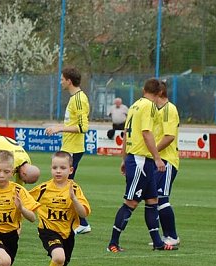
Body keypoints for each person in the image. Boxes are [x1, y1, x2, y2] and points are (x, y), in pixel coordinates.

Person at [106, 78, 176, 253]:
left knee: (152, 201)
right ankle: (113, 243)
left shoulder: (135, 105)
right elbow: (146, 133)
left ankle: (157, 242)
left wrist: (123, 158)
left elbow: (126, 133)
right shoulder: (149, 107)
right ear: (159, 92)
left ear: (144, 89)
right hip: (140, 161)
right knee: (130, 202)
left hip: (139, 159)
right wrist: (157, 158)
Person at [29, 151, 90, 266]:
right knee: (58, 257)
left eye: (62, 167)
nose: (58, 171)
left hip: (67, 234)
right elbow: (26, 201)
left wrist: (74, 199)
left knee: (61, 265)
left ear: (70, 170)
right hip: (48, 231)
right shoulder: (43, 188)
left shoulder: (75, 189)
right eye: (55, 167)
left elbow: (83, 214)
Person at [45, 67, 92, 234]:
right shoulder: (75, 98)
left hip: (73, 148)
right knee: (65, 185)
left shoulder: (79, 99)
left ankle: (81, 222)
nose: (61, 82)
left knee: (65, 186)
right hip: (69, 147)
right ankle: (79, 222)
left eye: (62, 79)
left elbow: (83, 127)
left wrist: (59, 128)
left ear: (69, 81)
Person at [154, 80, 181, 246]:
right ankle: (165, 235)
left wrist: (153, 151)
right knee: (156, 198)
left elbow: (169, 137)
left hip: (167, 160)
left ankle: (172, 235)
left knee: (162, 197)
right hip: (158, 159)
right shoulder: (157, 110)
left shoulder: (169, 109)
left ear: (159, 93)